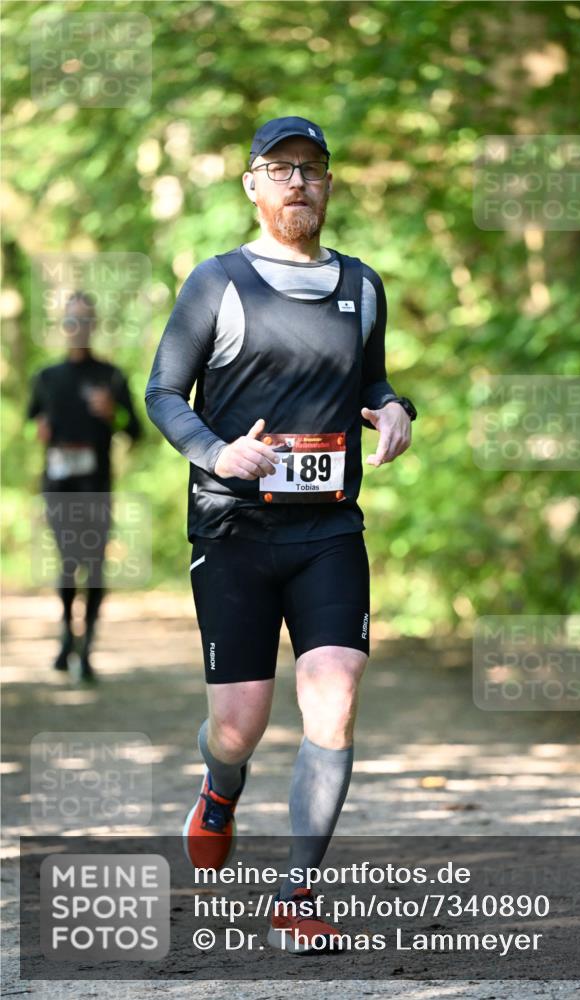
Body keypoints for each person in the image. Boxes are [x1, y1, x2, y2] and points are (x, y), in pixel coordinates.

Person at [145, 115, 417, 953]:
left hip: (329, 529)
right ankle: (220, 786)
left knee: (332, 698)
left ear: (328, 184)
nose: (297, 181)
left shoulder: (362, 285)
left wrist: (398, 406)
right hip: (234, 531)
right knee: (240, 724)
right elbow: (162, 393)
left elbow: (369, 378)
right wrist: (216, 452)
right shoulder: (216, 282)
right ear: (252, 186)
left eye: (312, 168)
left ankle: (300, 894)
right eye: (279, 168)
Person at [27, 291, 143, 681]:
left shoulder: (110, 376)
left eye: (84, 321)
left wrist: (114, 414)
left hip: (96, 484)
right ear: (64, 326)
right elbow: (30, 422)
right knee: (67, 561)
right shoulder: (46, 377)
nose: (77, 328)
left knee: (93, 565)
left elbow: (136, 431)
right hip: (57, 483)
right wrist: (39, 430)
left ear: (93, 326)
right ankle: (66, 634)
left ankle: (87, 646)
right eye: (71, 320)